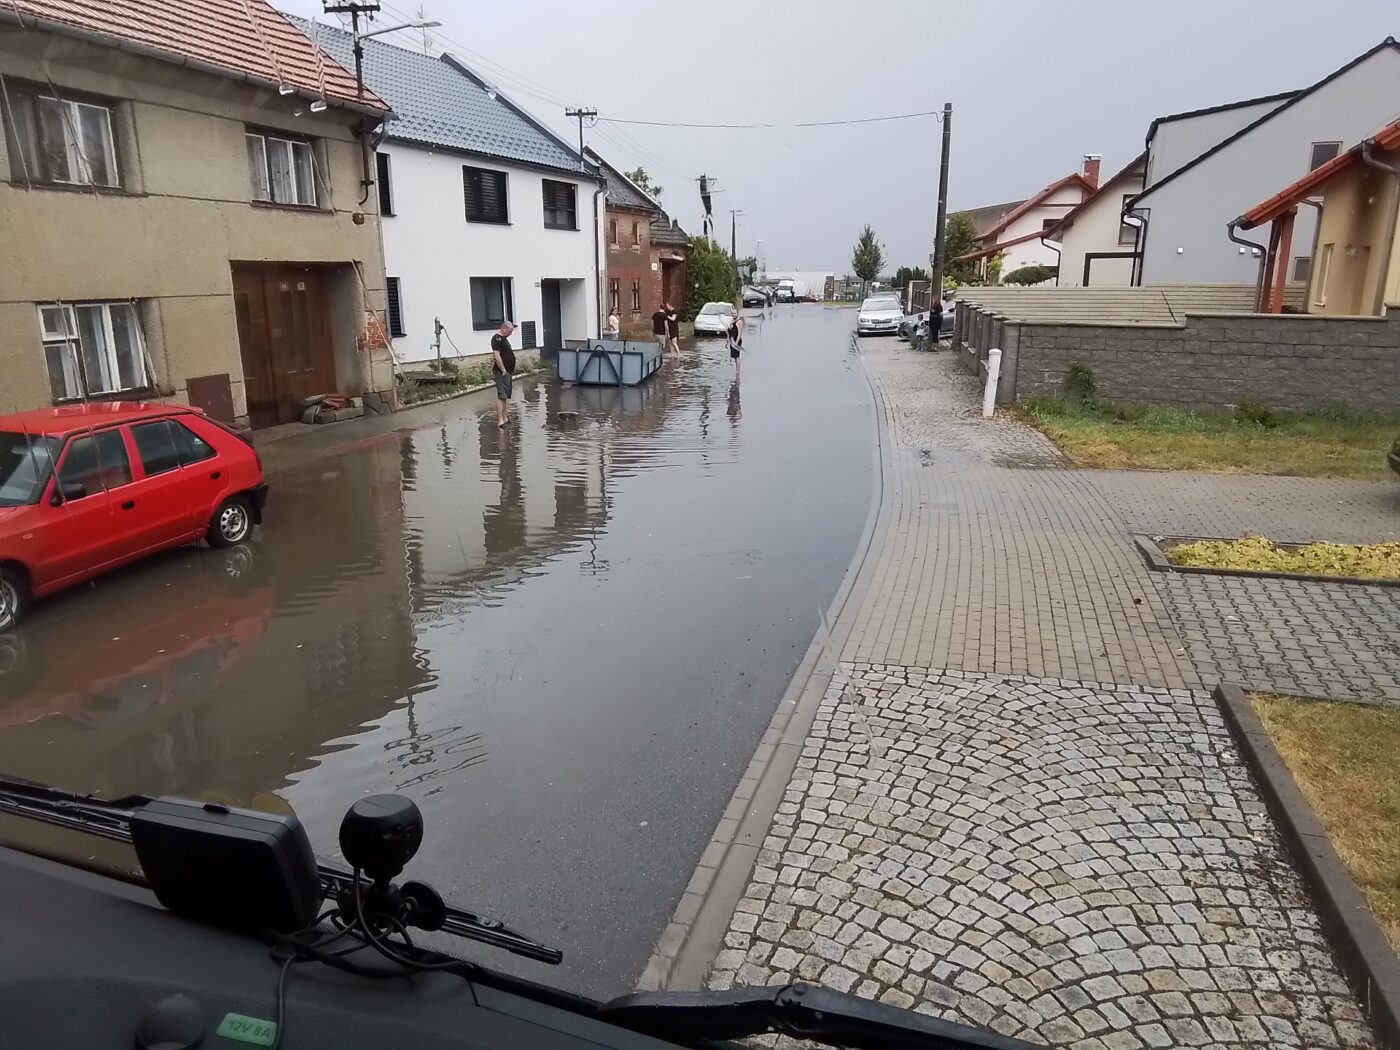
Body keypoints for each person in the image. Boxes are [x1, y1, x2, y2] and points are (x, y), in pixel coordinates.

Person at [490, 320, 516, 429]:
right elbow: (496, 356)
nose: (511, 334)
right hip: (501, 372)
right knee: (501, 396)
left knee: (505, 396)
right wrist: (503, 370)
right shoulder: (496, 339)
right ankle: (500, 421)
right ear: (504, 328)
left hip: (507, 372)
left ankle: (505, 417)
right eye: (510, 331)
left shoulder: (504, 339)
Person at [726, 305, 744, 371]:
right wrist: (727, 340)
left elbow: (739, 333)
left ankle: (737, 371)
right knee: (733, 356)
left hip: (737, 341)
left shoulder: (739, 322)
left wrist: (736, 342)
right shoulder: (731, 321)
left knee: (737, 357)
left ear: (737, 314)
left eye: (734, 313)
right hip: (732, 341)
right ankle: (736, 370)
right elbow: (729, 332)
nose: (733, 315)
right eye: (732, 313)